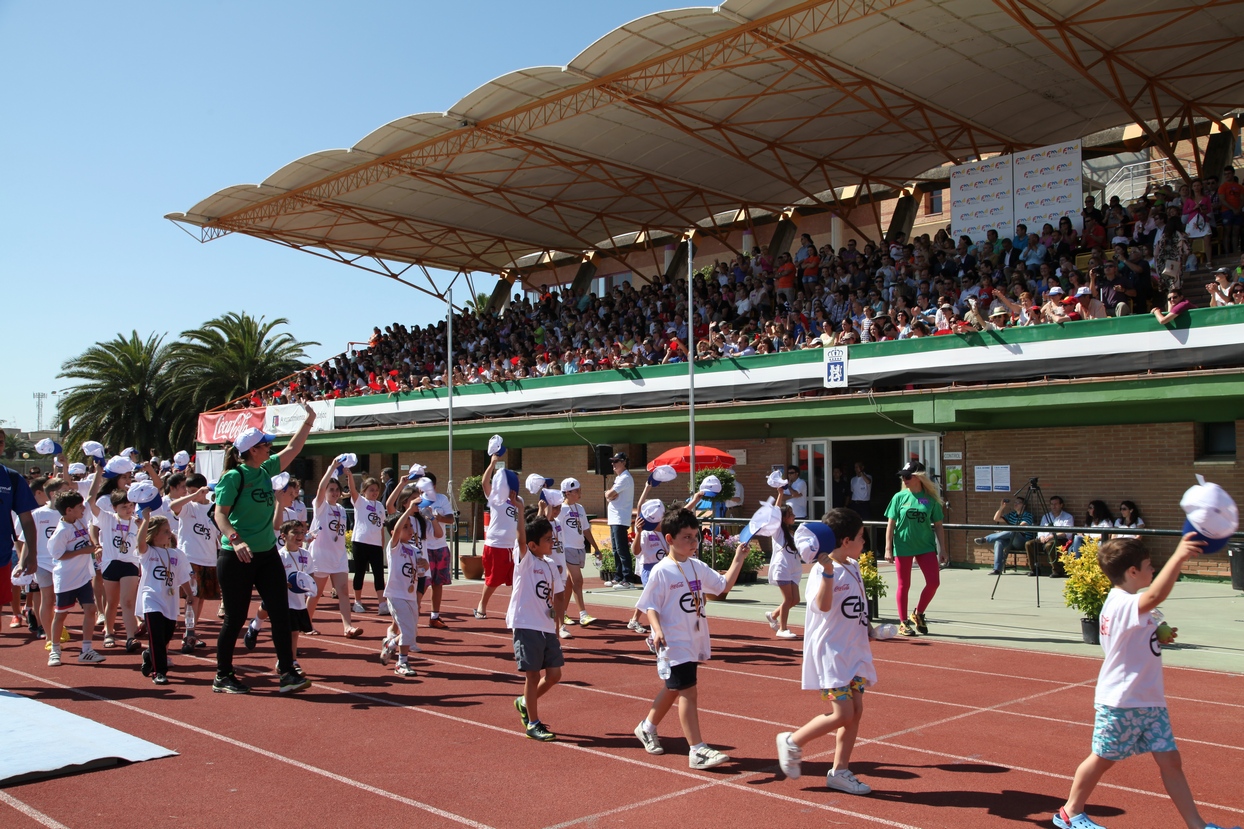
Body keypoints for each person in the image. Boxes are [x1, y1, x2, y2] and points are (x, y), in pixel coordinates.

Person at [1053, 536, 1236, 829]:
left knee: (1170, 761)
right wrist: (1179, 557)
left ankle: (1197, 825)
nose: (1154, 570)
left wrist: (1159, 634)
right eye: (1150, 566)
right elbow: (1154, 597)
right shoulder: (1122, 602)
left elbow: (1142, 624)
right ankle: (1070, 812)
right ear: (1132, 572)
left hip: (1150, 700)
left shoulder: (1132, 605)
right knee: (1102, 758)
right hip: (1123, 701)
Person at [631, 508, 750, 769]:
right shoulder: (662, 571)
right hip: (673, 641)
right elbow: (650, 604)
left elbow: (722, 586)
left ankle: (646, 727)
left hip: (693, 637)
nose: (693, 542)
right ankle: (697, 750)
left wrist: (738, 559)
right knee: (688, 691)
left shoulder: (697, 566)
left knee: (674, 688)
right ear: (670, 539)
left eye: (696, 537)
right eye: (687, 537)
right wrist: (657, 629)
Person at [211, 404, 316, 695]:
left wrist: (309, 420)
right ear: (252, 450)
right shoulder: (234, 477)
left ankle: (286, 670)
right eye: (265, 444)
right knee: (235, 618)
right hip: (236, 556)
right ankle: (222, 675)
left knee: (281, 611)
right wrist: (235, 538)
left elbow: (293, 449)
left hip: (267, 554)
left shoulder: (266, 469)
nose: (270, 447)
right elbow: (220, 514)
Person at [776, 509, 876, 795]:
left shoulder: (853, 566)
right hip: (832, 654)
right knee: (843, 714)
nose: (863, 543)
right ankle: (793, 740)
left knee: (855, 711)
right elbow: (821, 605)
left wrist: (871, 630)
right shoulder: (824, 569)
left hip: (853, 651)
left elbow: (855, 609)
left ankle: (840, 771)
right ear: (845, 541)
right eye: (860, 538)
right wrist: (829, 573)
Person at [509, 505, 566, 742]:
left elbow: (559, 595)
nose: (551, 542)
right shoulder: (526, 561)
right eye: (546, 539)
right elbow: (521, 537)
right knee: (532, 677)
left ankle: (524, 701)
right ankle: (533, 723)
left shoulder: (550, 564)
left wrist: (558, 623)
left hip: (545, 626)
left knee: (554, 675)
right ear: (532, 545)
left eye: (552, 538)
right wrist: (521, 511)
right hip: (526, 624)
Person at [883, 461, 947, 637]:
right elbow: (891, 524)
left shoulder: (931, 499)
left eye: (908, 476)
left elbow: (939, 525)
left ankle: (918, 613)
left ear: (919, 477)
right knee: (904, 585)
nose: (905, 479)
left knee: (934, 582)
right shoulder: (899, 497)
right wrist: (888, 548)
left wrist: (943, 549)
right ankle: (903, 622)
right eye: (903, 476)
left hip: (925, 546)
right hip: (903, 546)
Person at [303, 457, 362, 638]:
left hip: (339, 556)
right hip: (321, 555)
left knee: (344, 591)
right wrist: (332, 468)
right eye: (331, 490)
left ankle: (348, 627)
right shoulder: (320, 506)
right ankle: (305, 624)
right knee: (317, 592)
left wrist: (349, 476)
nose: (335, 493)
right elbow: (320, 488)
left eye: (337, 490)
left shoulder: (342, 509)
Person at [46, 490, 105, 666]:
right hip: (66, 578)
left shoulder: (79, 521)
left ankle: (86, 650)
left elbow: (91, 497)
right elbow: (58, 555)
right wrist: (83, 551)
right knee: (61, 614)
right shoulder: (61, 531)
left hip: (83, 576)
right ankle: (55, 650)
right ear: (69, 510)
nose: (83, 509)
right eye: (79, 507)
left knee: (90, 609)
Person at [134, 511, 191, 685]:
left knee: (166, 636)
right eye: (165, 530)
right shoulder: (148, 552)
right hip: (152, 598)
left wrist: (189, 594)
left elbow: (183, 577)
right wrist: (145, 520)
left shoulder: (176, 554)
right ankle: (159, 672)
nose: (170, 533)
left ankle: (149, 655)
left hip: (170, 602)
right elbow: (140, 542)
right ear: (155, 533)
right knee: (157, 637)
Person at [379, 499, 428, 678]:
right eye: (406, 527)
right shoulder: (395, 547)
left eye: (411, 526)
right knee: (407, 631)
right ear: (395, 532)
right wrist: (408, 511)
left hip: (411, 595)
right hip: (396, 595)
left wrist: (425, 565)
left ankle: (391, 644)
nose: (410, 529)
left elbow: (421, 572)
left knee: (411, 632)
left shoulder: (414, 549)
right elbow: (398, 529)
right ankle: (402, 662)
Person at [89, 486, 141, 651]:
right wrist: (98, 473)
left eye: (131, 506)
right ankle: (109, 632)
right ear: (114, 508)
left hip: (131, 563)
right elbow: (90, 501)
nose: (128, 509)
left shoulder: (137, 521)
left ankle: (130, 637)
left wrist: (143, 524)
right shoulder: (108, 518)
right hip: (111, 563)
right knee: (112, 602)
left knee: (127, 601)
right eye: (123, 507)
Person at [3, 430, 41, 633]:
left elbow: (27, 520)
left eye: (0, 442)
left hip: (2, 553)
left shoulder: (12, 479)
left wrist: (31, 555)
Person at [176, 474, 218, 652]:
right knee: (192, 598)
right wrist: (193, 496)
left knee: (200, 599)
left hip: (209, 559)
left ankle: (191, 631)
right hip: (190, 557)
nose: (192, 494)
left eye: (195, 491)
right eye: (189, 491)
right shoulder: (188, 507)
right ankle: (189, 632)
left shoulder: (214, 508)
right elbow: (174, 507)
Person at [475, 451, 519, 619]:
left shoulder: (518, 500)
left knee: (518, 580)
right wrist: (492, 463)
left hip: (513, 546)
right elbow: (484, 482)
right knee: (493, 580)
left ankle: (515, 609)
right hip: (496, 545)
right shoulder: (495, 498)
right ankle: (482, 604)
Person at [556, 477, 598, 628]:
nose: (580, 493)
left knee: (569, 583)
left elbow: (585, 529)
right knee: (578, 580)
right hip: (567, 549)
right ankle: (583, 614)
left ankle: (563, 612)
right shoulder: (560, 509)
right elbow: (555, 528)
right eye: (576, 491)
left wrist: (596, 547)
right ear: (567, 493)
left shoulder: (580, 508)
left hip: (580, 548)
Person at [415, 473, 454, 630]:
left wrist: (436, 517)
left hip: (440, 546)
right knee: (423, 582)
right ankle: (412, 610)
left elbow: (451, 519)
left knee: (438, 583)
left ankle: (435, 616)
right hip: (424, 548)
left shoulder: (442, 499)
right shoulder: (416, 501)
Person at [277, 519, 313, 677]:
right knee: (289, 632)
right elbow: (273, 577)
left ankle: (286, 660)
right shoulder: (279, 555)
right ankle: (290, 660)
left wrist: (309, 586)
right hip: (285, 601)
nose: (299, 535)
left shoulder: (305, 554)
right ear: (284, 536)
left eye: (302, 532)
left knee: (295, 632)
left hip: (299, 602)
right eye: (295, 532)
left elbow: (310, 574)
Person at [349, 475, 388, 616]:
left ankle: (382, 603)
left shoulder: (380, 506)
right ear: (364, 491)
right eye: (371, 490)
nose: (375, 492)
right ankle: (357, 602)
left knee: (379, 574)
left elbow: (381, 527)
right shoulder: (360, 502)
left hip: (376, 545)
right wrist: (349, 475)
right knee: (360, 572)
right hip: (360, 542)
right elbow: (353, 490)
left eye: (377, 490)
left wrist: (382, 544)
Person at [764, 501, 801, 640]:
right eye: (791, 514)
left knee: (796, 599)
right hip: (782, 567)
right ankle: (782, 628)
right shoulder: (778, 530)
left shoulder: (791, 532)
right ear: (783, 517)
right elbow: (775, 512)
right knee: (788, 599)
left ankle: (773, 615)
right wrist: (779, 493)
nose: (794, 516)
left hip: (794, 569)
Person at [975, 497, 1034, 575]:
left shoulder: (1028, 515)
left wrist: (1004, 532)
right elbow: (996, 518)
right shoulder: (1012, 514)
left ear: (1024, 505)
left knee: (1013, 531)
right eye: (1015, 502)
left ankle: (986, 539)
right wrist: (1001, 507)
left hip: (1022, 541)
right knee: (999, 542)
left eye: (1018, 502)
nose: (1015, 504)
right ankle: (997, 569)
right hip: (1010, 541)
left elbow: (1021, 526)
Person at [604, 452, 636, 587]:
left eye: (616, 461)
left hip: (620, 518)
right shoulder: (619, 478)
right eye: (613, 461)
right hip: (614, 518)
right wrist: (609, 495)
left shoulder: (625, 478)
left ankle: (628, 578)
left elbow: (609, 494)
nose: (613, 464)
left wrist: (609, 494)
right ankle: (618, 576)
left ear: (623, 462)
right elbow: (609, 495)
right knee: (616, 549)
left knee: (622, 549)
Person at [1024, 495, 1073, 577]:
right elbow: (1041, 529)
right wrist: (1041, 537)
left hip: (1060, 540)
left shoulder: (1068, 517)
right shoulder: (1046, 516)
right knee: (1029, 544)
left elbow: (1066, 532)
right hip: (1044, 539)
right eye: (1052, 504)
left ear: (1061, 505)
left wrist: (1052, 536)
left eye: (1056, 504)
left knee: (1049, 545)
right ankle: (1034, 569)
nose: (1053, 506)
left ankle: (1057, 571)